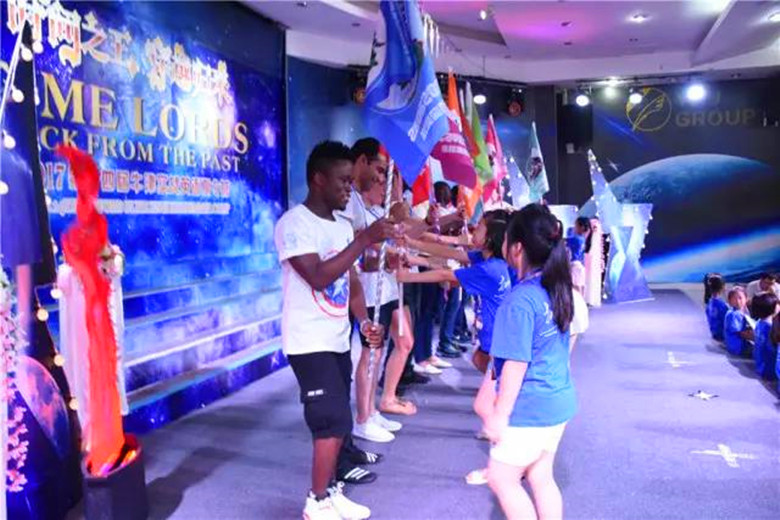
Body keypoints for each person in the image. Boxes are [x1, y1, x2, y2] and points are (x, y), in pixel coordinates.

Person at [274, 141, 397, 520]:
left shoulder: (342, 226)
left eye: (350, 180)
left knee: (339, 420)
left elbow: (351, 281)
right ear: (318, 179)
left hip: (337, 338)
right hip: (308, 341)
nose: (349, 188)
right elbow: (317, 276)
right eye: (343, 181)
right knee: (329, 421)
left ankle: (330, 490)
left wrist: (364, 321)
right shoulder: (294, 224)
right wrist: (364, 239)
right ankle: (316, 502)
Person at [485, 203, 576, 520]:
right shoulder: (556, 288)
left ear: (516, 248)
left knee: (502, 479)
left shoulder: (520, 300)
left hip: (530, 408)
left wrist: (499, 415)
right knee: (541, 476)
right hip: (558, 401)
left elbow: (515, 364)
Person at [750, 292, 779, 380]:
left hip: (760, 366)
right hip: (770, 369)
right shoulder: (771, 327)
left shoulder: (759, 323)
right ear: (772, 308)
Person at [723, 286, 754, 357]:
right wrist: (757, 338)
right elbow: (741, 333)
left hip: (740, 345)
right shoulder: (733, 314)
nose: (738, 301)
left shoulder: (742, 311)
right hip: (738, 347)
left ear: (746, 299)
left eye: (740, 298)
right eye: (734, 299)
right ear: (729, 301)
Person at [566, 217, 591, 296]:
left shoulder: (576, 239)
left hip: (575, 265)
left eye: (576, 225)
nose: (574, 227)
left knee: (575, 287)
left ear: (581, 227)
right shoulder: (582, 239)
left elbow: (564, 241)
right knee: (579, 287)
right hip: (580, 265)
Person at [704, 273, 729, 341]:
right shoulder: (723, 305)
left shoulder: (709, 303)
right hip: (722, 337)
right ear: (723, 287)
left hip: (713, 334)